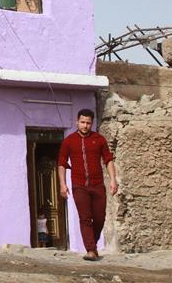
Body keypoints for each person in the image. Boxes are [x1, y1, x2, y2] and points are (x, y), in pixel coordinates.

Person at [57, 108, 117, 261]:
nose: (85, 126)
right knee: (85, 218)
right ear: (76, 122)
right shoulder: (69, 141)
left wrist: (113, 180)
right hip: (79, 186)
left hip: (97, 185)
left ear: (92, 123)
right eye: (82, 122)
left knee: (99, 217)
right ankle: (90, 249)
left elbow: (108, 160)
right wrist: (63, 184)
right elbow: (62, 164)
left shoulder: (100, 139)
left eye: (88, 123)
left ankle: (93, 245)